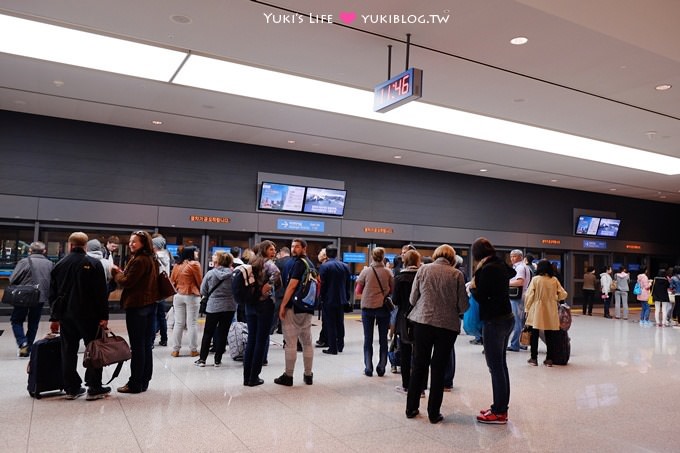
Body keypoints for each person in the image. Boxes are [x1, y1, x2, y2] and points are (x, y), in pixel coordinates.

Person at [405, 245, 468, 424]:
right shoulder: (457, 275)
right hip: (447, 327)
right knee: (439, 367)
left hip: (423, 322)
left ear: (436, 255)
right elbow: (463, 306)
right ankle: (434, 413)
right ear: (452, 258)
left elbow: (412, 299)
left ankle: (411, 408)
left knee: (419, 364)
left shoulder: (423, 269)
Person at [49, 232, 109, 400]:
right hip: (90, 315)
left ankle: (71, 387)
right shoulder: (94, 263)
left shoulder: (59, 265)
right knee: (93, 349)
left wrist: (54, 317)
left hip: (66, 315)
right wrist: (104, 316)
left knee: (68, 350)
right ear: (86, 246)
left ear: (70, 245)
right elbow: (100, 293)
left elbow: (52, 294)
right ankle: (94, 386)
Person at [470, 237, 515, 425]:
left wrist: (472, 288)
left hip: (494, 321)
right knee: (501, 365)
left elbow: (481, 296)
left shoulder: (487, 269)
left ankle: (499, 412)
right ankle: (500, 407)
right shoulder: (500, 265)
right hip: (506, 318)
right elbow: (510, 274)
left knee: (495, 367)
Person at [111, 231, 159, 394]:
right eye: (130, 241)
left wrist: (116, 273)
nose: (131, 244)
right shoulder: (152, 259)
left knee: (137, 346)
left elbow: (127, 282)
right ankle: (144, 379)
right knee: (146, 345)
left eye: (135, 242)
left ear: (143, 243)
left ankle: (135, 383)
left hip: (138, 307)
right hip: (150, 305)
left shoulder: (139, 260)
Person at [275, 238, 316, 386]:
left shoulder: (298, 264)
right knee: (307, 342)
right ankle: (308, 374)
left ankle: (288, 375)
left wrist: (282, 306)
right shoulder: (310, 263)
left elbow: (291, 286)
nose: (294, 249)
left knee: (290, 343)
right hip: (307, 306)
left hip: (293, 306)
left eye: (297, 247)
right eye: (292, 246)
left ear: (304, 248)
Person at [243, 241, 279, 386]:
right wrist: (269, 285)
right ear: (264, 250)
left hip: (250, 305)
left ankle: (246, 376)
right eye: (271, 249)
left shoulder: (252, 262)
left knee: (252, 339)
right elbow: (277, 275)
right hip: (264, 305)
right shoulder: (268, 264)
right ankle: (254, 377)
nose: (274, 252)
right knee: (261, 340)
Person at [9, 241, 54, 357]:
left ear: (30, 251)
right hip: (40, 297)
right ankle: (28, 347)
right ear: (44, 251)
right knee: (34, 322)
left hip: (23, 296)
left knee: (16, 320)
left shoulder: (24, 262)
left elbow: (13, 279)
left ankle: (22, 342)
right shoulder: (50, 264)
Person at [356, 247, 394, 377]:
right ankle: (382, 367)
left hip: (368, 308)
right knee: (383, 339)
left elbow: (358, 291)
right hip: (383, 308)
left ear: (372, 256)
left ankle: (368, 367)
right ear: (383, 257)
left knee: (368, 339)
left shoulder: (366, 271)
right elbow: (392, 289)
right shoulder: (388, 272)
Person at [524, 259, 568, 367]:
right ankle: (549, 359)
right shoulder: (554, 280)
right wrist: (555, 297)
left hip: (537, 308)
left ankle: (534, 359)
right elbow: (564, 294)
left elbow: (529, 296)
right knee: (550, 334)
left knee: (535, 334)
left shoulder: (536, 280)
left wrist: (527, 309)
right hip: (551, 309)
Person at [196, 250, 235, 367]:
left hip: (213, 306)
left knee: (208, 332)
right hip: (229, 307)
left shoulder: (211, 274)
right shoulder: (233, 275)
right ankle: (218, 360)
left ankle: (202, 359)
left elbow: (203, 290)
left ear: (218, 261)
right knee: (223, 333)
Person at [393, 249, 422, 394]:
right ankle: (421, 387)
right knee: (420, 353)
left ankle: (406, 385)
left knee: (405, 352)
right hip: (420, 317)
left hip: (404, 318)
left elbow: (395, 300)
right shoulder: (422, 275)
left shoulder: (400, 277)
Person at [169, 246, 202, 357]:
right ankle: (193, 350)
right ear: (191, 253)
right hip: (191, 295)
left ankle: (175, 350)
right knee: (191, 324)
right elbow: (199, 281)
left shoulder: (177, 265)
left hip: (178, 295)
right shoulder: (195, 265)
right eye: (196, 252)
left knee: (178, 323)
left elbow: (172, 280)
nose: (197, 254)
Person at [318, 245, 351, 355]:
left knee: (330, 323)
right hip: (341, 299)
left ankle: (332, 347)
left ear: (326, 254)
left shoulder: (324, 267)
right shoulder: (345, 266)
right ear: (336, 254)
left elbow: (322, 284)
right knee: (340, 322)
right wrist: (347, 297)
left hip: (328, 299)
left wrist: (321, 297)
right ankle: (340, 345)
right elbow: (347, 284)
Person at [507, 249, 531, 352]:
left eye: (514, 256)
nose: (512, 258)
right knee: (521, 321)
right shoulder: (524, 267)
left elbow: (520, 282)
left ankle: (515, 344)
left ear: (520, 257)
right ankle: (523, 343)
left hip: (517, 297)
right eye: (511, 256)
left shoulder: (520, 268)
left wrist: (506, 282)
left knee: (516, 321)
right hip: (523, 295)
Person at [151, 235, 170, 347]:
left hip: (154, 289)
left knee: (153, 315)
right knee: (161, 316)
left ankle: (151, 340)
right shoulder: (166, 256)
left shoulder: (155, 257)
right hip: (162, 289)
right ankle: (164, 338)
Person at [315, 247, 329, 348]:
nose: (319, 254)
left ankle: (324, 339)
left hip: (326, 297)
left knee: (326, 319)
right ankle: (323, 338)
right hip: (329, 296)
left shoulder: (324, 266)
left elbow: (322, 282)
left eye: (320, 252)